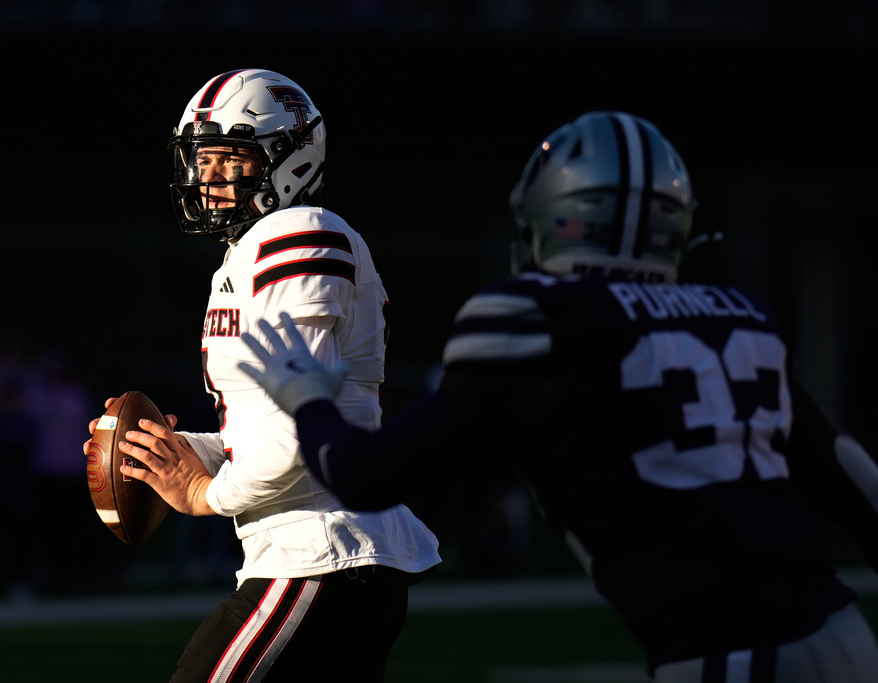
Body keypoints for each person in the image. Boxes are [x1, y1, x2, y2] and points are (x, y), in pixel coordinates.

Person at [238, 111, 878, 682]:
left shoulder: (532, 319)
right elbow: (856, 483)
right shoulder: (739, 315)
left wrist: (308, 397)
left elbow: (362, 476)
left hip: (725, 658)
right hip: (846, 637)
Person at [85, 69, 440, 683]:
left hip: (320, 554)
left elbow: (300, 432)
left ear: (289, 160)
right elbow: (272, 429)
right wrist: (166, 453)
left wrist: (204, 494)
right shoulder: (249, 252)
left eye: (231, 159)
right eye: (203, 160)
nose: (210, 178)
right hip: (329, 558)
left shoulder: (298, 234)